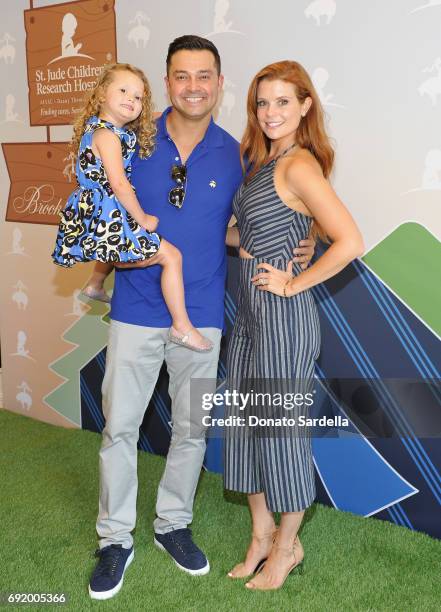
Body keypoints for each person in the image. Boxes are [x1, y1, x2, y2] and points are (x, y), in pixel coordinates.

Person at [87, 37, 315, 601]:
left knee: (191, 431)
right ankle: (115, 538)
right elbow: (101, 213)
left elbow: (247, 223)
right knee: (119, 429)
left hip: (204, 317)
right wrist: (108, 263)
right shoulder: (130, 140)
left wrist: (304, 239)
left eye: (205, 75)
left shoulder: (237, 153)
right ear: (167, 83)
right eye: (182, 76)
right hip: (137, 310)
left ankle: (172, 525)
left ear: (218, 83)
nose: (194, 86)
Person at [223, 60, 364, 591]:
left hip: (284, 319)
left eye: (283, 101)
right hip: (248, 315)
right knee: (243, 427)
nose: (271, 112)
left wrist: (293, 282)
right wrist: (277, 248)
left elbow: (350, 240)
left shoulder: (299, 163)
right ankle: (259, 536)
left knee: (280, 434)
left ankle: (287, 548)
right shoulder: (263, 161)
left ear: (305, 105)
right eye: (263, 102)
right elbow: (244, 237)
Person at [52, 62, 212, 352]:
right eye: (123, 91)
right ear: (101, 94)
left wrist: (162, 114)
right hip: (110, 211)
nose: (131, 99)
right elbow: (120, 185)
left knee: (115, 244)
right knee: (171, 257)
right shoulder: (109, 137)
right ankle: (182, 327)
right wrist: (143, 218)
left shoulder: (99, 129)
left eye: (138, 97)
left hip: (100, 215)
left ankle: (96, 283)